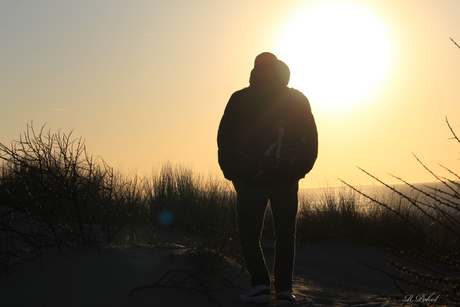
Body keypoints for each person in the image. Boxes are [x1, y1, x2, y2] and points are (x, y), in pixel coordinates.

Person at [217, 52, 318, 304]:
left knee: (249, 234)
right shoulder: (297, 99)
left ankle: (260, 286)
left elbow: (225, 140)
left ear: (255, 70)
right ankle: (284, 290)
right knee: (285, 235)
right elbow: (312, 140)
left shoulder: (240, 98)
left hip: (251, 179)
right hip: (286, 179)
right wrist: (299, 171)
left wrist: (233, 174)